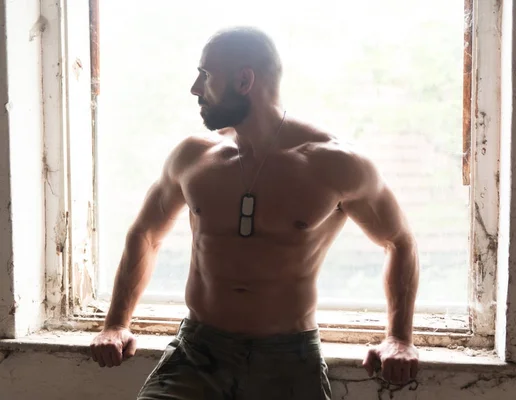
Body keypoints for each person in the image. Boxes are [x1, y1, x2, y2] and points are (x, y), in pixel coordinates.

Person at [90, 26, 420, 400]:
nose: (196, 88)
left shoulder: (334, 164)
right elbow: (145, 234)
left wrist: (398, 337)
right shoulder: (194, 157)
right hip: (199, 351)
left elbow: (399, 241)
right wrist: (116, 324)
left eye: (205, 75)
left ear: (244, 80)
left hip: (288, 358)